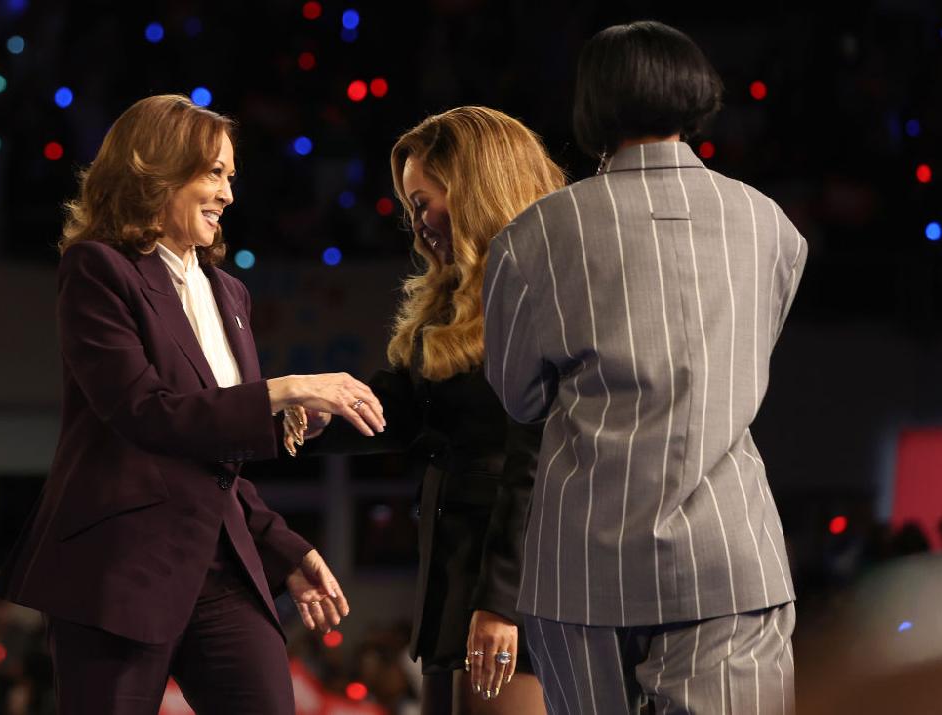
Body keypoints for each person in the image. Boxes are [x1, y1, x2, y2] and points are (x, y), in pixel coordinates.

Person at [0, 94, 386, 715]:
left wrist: (286, 548)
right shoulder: (98, 270)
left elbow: (215, 462)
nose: (228, 194)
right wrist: (281, 390)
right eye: (214, 174)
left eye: (231, 176)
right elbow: (144, 412)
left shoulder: (231, 292)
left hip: (222, 569)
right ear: (156, 170)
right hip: (119, 570)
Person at [482, 21, 807, 715]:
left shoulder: (532, 234)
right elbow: (748, 356)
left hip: (579, 568)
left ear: (591, 104)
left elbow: (517, 396)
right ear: (695, 94)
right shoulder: (769, 223)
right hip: (726, 557)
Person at [284, 106, 564, 714]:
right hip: (458, 583)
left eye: (422, 202)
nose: (417, 226)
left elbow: (536, 461)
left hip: (516, 595)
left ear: (475, 191)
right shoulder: (453, 301)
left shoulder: (547, 294)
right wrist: (297, 409)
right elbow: (404, 411)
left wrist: (500, 602)